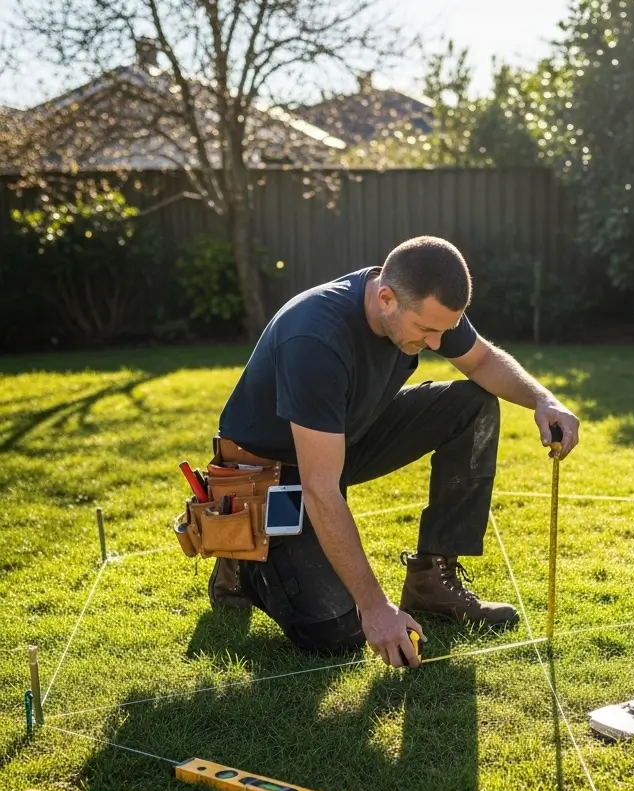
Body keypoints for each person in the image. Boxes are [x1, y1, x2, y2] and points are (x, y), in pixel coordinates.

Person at [212, 235, 580, 669]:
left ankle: (431, 582)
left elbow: (481, 361)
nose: (437, 344)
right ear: (385, 298)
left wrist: (543, 400)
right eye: (426, 331)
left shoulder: (424, 304)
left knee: (473, 405)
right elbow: (320, 489)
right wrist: (375, 608)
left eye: (444, 331)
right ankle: (242, 560)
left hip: (349, 434)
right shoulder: (314, 338)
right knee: (337, 631)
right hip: (275, 470)